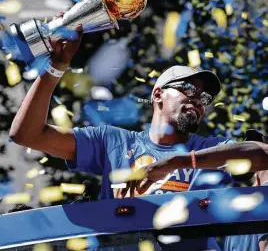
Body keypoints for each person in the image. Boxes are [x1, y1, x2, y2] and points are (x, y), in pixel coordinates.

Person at [9, 26, 268, 250]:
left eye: (204, 99)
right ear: (158, 95)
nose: (197, 101)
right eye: (188, 89)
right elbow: (27, 135)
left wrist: (178, 162)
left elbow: (263, 156)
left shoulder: (211, 150)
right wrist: (56, 67)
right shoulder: (111, 141)